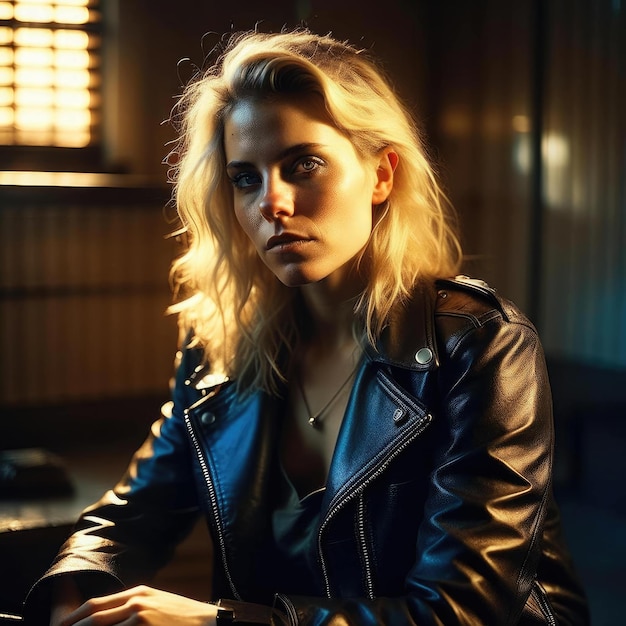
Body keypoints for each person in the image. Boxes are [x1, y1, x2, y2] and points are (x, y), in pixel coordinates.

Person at [22, 28, 589, 625]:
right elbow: (129, 517)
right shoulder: (222, 348)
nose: (272, 203)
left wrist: (220, 623)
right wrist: (74, 592)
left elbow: (460, 610)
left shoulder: (480, 347)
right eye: (246, 177)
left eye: (303, 165)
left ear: (381, 175)